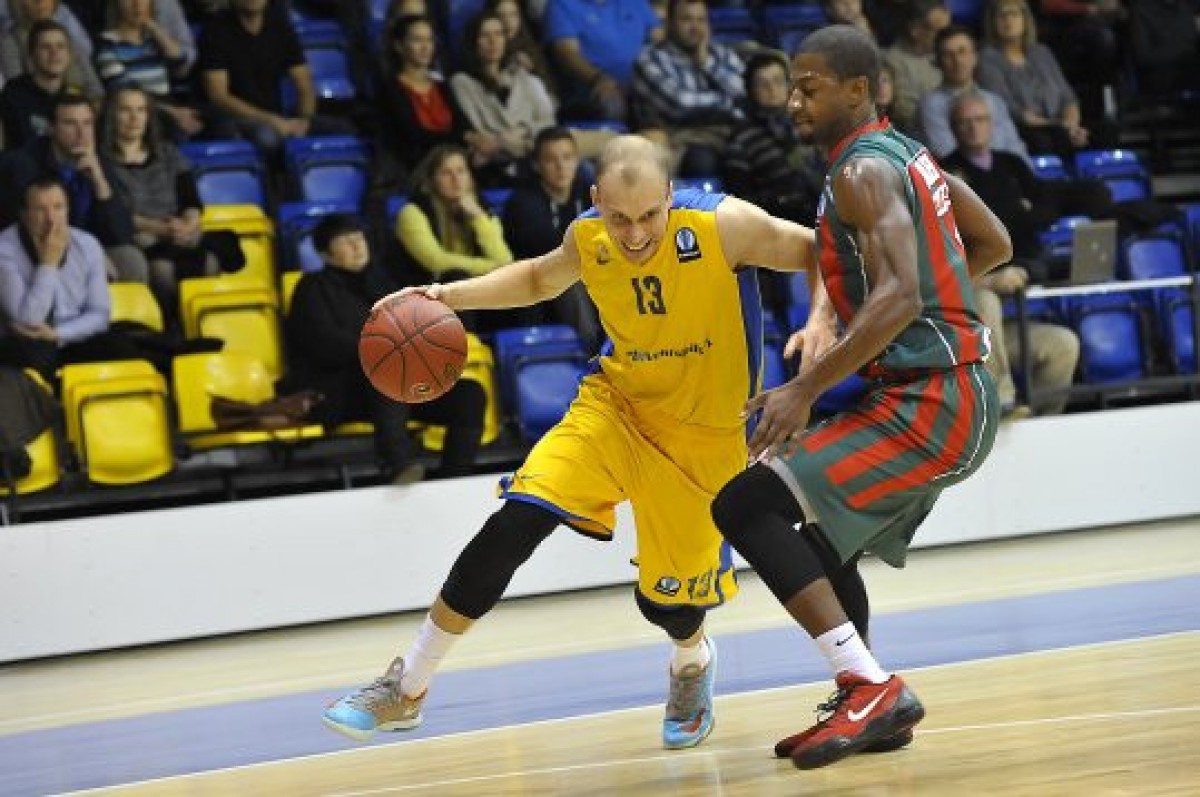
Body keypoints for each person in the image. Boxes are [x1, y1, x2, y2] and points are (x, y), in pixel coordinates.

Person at [321, 134, 819, 752]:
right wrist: (445, 296)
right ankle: (408, 686)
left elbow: (821, 249)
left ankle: (690, 660)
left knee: (668, 606)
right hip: (615, 409)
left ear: (669, 194)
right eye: (619, 218)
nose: (634, 234)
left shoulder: (724, 225)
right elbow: (537, 278)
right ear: (595, 200)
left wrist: (820, 319)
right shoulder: (587, 235)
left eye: (648, 216)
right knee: (518, 518)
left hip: (705, 436)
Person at [707, 25, 1012, 771]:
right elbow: (993, 241)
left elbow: (902, 292)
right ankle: (871, 699)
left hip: (934, 401)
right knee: (814, 539)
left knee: (745, 504)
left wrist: (805, 387)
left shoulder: (861, 171)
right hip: (944, 389)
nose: (793, 101)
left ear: (858, 89)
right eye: (791, 86)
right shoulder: (904, 154)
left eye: (809, 88)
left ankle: (870, 687)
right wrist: (923, 303)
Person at [284, 214, 486, 485]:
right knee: (385, 371)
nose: (357, 245)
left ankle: (454, 479)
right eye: (345, 240)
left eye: (359, 238)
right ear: (325, 254)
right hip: (341, 390)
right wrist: (383, 350)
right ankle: (397, 466)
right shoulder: (311, 288)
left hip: (399, 386)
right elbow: (323, 344)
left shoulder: (385, 285)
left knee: (469, 394)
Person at [101, 85, 243, 322]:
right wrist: (158, 229)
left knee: (209, 262)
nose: (134, 118)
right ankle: (171, 330)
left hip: (178, 233)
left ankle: (203, 327)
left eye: (141, 110)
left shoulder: (168, 153)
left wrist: (188, 224)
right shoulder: (103, 162)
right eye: (126, 110)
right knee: (161, 271)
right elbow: (113, 213)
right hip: (139, 238)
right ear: (112, 116)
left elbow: (191, 200)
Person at [0, 176, 141, 382]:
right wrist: (48, 264)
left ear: (68, 211)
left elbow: (100, 314)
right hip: (25, 345)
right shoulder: (5, 250)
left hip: (69, 336)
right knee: (38, 355)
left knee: (119, 345)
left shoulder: (86, 244)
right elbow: (28, 322)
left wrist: (58, 334)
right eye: (40, 210)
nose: (51, 219)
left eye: (58, 208)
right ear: (24, 214)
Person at [0, 94, 147, 283]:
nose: (81, 133)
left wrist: (100, 183)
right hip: (38, 250)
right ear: (51, 128)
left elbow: (122, 234)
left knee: (131, 260)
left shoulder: (99, 161)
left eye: (87, 123)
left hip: (86, 247)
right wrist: (90, 252)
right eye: (70, 124)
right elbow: (36, 228)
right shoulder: (24, 164)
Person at [198, 0, 351, 157]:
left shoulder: (280, 26)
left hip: (279, 117)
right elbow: (219, 97)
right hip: (238, 118)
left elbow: (304, 84)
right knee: (268, 138)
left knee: (342, 129)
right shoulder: (215, 31)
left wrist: (304, 120)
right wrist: (272, 120)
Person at [501, 126, 601, 352]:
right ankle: (591, 354)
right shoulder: (522, 202)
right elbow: (549, 246)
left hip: (585, 272)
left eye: (567, 157)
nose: (561, 166)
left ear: (577, 160)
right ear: (537, 165)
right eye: (550, 160)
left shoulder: (590, 193)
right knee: (569, 279)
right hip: (535, 283)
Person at [630, 0, 744, 176]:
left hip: (730, 134)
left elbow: (747, 93)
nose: (695, 27)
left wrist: (706, 63)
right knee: (703, 159)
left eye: (701, 20)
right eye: (686, 19)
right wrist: (728, 102)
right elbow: (680, 104)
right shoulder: (651, 59)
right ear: (669, 23)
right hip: (679, 140)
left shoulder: (722, 55)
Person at [976, 0, 1096, 158]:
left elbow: (1067, 97)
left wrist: (1072, 126)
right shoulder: (987, 59)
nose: (1008, 20)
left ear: (1025, 20)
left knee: (1102, 131)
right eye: (1002, 15)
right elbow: (1006, 107)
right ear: (992, 22)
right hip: (1023, 127)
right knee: (1046, 139)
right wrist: (1059, 127)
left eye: (1014, 14)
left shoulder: (1041, 52)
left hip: (1059, 125)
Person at [449, 9, 556, 181]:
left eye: (499, 34)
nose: (493, 41)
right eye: (485, 35)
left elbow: (548, 121)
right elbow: (479, 133)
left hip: (536, 153)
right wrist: (509, 140)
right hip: (499, 163)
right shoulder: (462, 82)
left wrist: (522, 130)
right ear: (473, 41)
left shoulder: (524, 78)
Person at [93, 0, 205, 139]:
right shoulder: (106, 44)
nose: (137, 4)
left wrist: (154, 27)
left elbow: (180, 63)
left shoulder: (154, 41)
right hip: (136, 109)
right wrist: (173, 112)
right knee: (170, 127)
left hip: (169, 104)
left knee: (217, 122)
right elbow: (121, 87)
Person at [919, 25, 1029, 162]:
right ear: (939, 62)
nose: (957, 60)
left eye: (962, 52)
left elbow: (1016, 149)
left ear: (975, 57)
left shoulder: (994, 101)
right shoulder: (931, 105)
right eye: (948, 54)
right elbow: (946, 153)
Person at [377, 14, 471, 173]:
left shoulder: (441, 86)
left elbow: (462, 126)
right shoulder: (390, 89)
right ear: (399, 46)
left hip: (453, 163)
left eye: (429, 40)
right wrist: (456, 141)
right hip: (417, 168)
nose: (425, 47)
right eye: (417, 40)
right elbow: (413, 138)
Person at [545, 0, 661, 123]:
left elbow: (659, 37)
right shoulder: (562, 5)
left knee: (665, 96)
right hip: (592, 84)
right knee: (612, 105)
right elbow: (567, 53)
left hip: (643, 80)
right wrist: (598, 78)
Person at [0, 18, 84, 149]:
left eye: (60, 46)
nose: (54, 53)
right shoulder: (13, 94)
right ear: (31, 55)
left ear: (69, 55)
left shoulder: (76, 96)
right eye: (45, 47)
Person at [0, 0, 101, 100]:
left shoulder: (67, 35)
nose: (40, 2)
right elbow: (17, 89)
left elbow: (95, 88)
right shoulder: (10, 41)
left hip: (81, 105)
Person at [882, 0, 948, 135]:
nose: (948, 37)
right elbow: (905, 111)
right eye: (940, 32)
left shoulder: (947, 53)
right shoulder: (894, 62)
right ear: (915, 29)